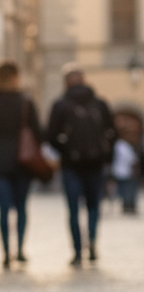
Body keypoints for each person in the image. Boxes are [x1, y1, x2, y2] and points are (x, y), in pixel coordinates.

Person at [47, 63, 116, 266]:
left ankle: (77, 250)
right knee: (94, 206)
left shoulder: (60, 105)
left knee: (73, 209)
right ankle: (92, 241)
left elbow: (50, 136)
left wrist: (65, 151)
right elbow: (112, 133)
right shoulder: (100, 103)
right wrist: (105, 156)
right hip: (96, 162)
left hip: (71, 164)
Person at [0, 61, 44, 268]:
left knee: (4, 209)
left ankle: (6, 252)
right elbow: (38, 133)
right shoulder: (26, 103)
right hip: (22, 162)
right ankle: (21, 249)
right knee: (22, 207)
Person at [111, 133, 140, 214]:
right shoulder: (123, 145)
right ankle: (128, 206)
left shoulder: (118, 145)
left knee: (124, 190)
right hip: (125, 172)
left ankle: (127, 205)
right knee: (128, 190)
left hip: (120, 171)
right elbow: (131, 158)